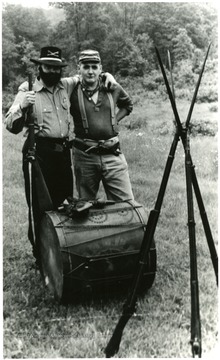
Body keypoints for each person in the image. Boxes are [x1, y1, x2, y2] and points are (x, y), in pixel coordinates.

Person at [4, 46, 116, 265]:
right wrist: (23, 106)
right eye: (48, 67)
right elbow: (10, 124)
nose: (53, 72)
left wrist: (107, 75)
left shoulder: (66, 85)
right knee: (40, 205)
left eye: (57, 68)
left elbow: (89, 74)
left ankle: (62, 251)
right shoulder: (27, 89)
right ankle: (41, 255)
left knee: (65, 202)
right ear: (40, 67)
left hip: (63, 152)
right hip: (38, 154)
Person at [70, 49, 134, 201]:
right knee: (85, 206)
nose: (90, 71)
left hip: (113, 154)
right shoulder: (72, 90)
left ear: (100, 68)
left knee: (125, 204)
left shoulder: (112, 87)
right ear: (79, 68)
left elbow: (127, 105)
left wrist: (113, 120)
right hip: (84, 156)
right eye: (86, 67)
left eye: (94, 67)